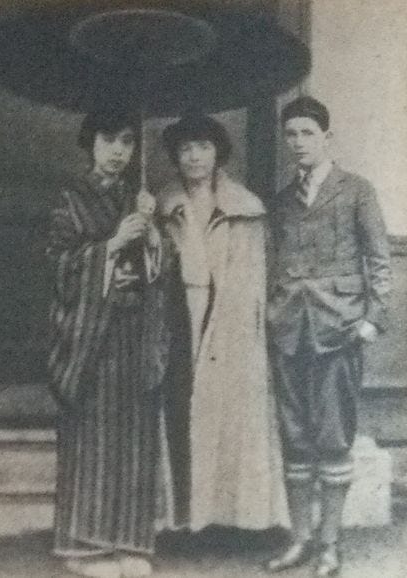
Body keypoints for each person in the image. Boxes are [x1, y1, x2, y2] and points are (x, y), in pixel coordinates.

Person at [266, 97, 391, 576]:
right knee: (295, 437)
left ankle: (330, 546)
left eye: (307, 134)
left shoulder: (356, 191)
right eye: (291, 134)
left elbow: (380, 261)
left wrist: (371, 321)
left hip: (340, 329)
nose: (298, 143)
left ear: (326, 138)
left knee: (334, 438)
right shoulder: (281, 202)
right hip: (289, 331)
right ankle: (300, 540)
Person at [47, 108, 172, 578]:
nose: (119, 152)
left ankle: (129, 542)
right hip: (92, 338)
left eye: (127, 142)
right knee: (94, 436)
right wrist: (113, 243)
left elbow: (163, 269)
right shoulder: (69, 200)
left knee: (134, 436)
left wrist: (153, 234)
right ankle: (84, 546)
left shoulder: (138, 198)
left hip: (135, 332)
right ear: (90, 144)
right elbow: (58, 264)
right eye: (108, 141)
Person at [159, 114, 289, 535]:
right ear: (175, 157)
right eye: (185, 149)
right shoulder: (161, 206)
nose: (194, 157)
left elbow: (255, 278)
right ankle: (180, 519)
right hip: (176, 320)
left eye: (203, 147)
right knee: (179, 413)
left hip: (227, 320)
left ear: (218, 153)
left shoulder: (245, 208)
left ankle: (228, 516)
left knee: (226, 415)